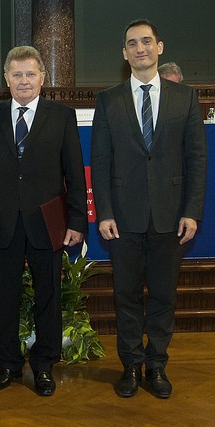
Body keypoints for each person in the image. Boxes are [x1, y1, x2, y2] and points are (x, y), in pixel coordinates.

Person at [91, 19, 207, 399]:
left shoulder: (185, 98)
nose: (139, 48)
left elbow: (196, 159)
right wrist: (104, 212)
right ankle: (130, 366)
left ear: (159, 47)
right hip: (122, 219)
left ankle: (156, 366)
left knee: (163, 297)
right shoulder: (108, 100)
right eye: (132, 43)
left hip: (171, 217)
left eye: (146, 41)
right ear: (124, 54)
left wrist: (192, 210)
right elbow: (100, 161)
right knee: (125, 297)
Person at [0, 46, 87, 397]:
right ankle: (7, 364)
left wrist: (77, 221)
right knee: (5, 297)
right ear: (6, 79)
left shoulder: (62, 116)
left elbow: (74, 173)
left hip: (47, 223)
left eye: (30, 74)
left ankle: (44, 365)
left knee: (48, 296)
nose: (24, 80)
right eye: (17, 74)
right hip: (2, 223)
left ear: (42, 78)